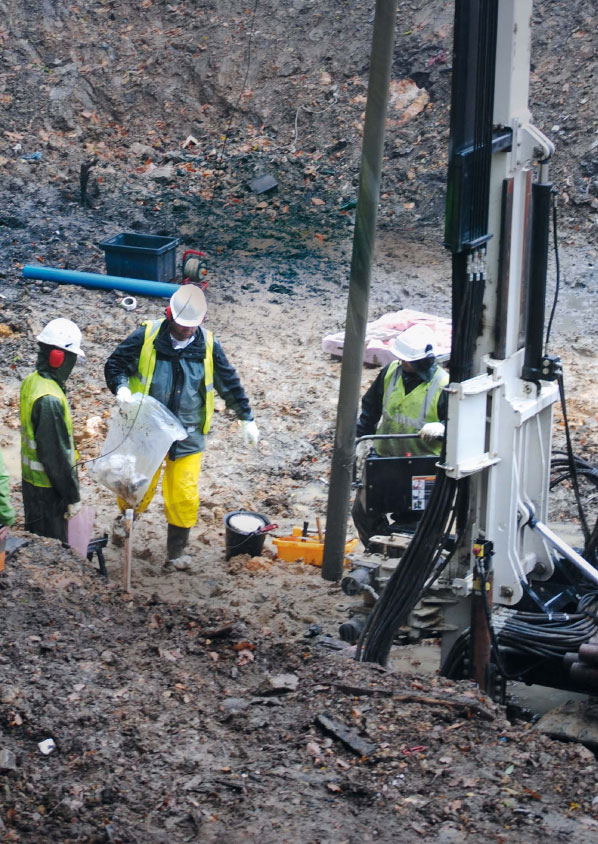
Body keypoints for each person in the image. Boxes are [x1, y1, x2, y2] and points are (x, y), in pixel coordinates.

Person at [104, 284, 259, 568]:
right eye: (182, 325)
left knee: (184, 496)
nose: (187, 330)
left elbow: (229, 382)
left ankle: (176, 554)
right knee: (136, 487)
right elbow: (115, 365)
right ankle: (123, 524)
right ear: (169, 316)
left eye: (193, 326)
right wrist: (122, 389)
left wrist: (246, 417)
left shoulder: (208, 345)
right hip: (148, 431)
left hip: (187, 435)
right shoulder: (147, 336)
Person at [351, 323, 449, 546]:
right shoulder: (391, 373)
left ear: (423, 360)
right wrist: (359, 439)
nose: (403, 362)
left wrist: (444, 427)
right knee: (364, 512)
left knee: (413, 522)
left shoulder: (443, 385)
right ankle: (377, 550)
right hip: (385, 459)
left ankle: (403, 563)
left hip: (422, 466)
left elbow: (459, 426)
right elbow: (370, 408)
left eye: (408, 360)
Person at [19, 318, 84, 542]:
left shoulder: (32, 381)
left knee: (36, 543)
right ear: (59, 358)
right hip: (49, 490)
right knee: (53, 550)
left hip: (31, 485)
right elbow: (55, 457)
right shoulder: (50, 400)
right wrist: (71, 496)